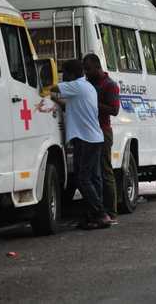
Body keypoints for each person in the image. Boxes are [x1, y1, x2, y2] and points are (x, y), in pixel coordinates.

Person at [51, 60, 109, 230]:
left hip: (86, 140)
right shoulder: (86, 87)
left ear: (70, 74)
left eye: (64, 73)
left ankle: (100, 214)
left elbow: (52, 88)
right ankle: (93, 216)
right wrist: (57, 101)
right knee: (93, 178)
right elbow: (71, 106)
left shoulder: (75, 85)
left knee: (83, 179)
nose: (63, 76)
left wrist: (47, 92)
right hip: (94, 138)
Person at [83, 53, 120, 225]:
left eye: (88, 69)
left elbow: (114, 110)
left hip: (103, 132)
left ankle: (111, 212)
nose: (86, 73)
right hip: (90, 132)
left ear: (98, 67)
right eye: (84, 70)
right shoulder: (87, 83)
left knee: (105, 172)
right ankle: (97, 212)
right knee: (93, 174)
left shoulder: (109, 85)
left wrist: (92, 104)